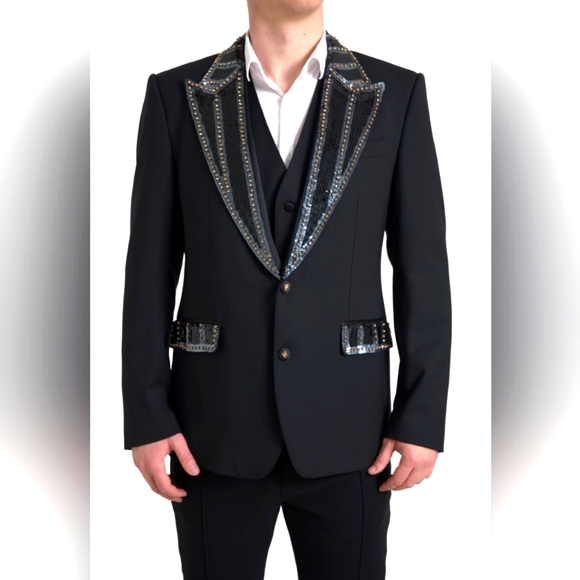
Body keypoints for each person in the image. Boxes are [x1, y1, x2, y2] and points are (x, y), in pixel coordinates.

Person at [121, 0, 451, 578]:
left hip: (352, 432)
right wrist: (147, 416)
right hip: (211, 432)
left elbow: (423, 268)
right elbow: (148, 269)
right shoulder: (178, 97)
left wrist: (421, 416)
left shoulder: (393, 95)